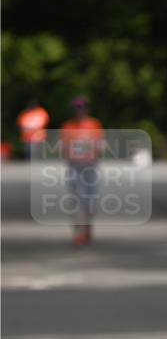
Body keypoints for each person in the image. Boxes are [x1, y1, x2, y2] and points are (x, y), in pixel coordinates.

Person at [59, 95, 104, 247]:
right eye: (77, 108)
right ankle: (78, 232)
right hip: (74, 166)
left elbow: (100, 145)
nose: (79, 110)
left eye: (82, 107)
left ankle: (87, 225)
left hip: (90, 166)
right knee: (76, 199)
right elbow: (62, 147)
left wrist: (93, 148)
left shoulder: (94, 124)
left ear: (87, 108)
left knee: (89, 200)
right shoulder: (67, 126)